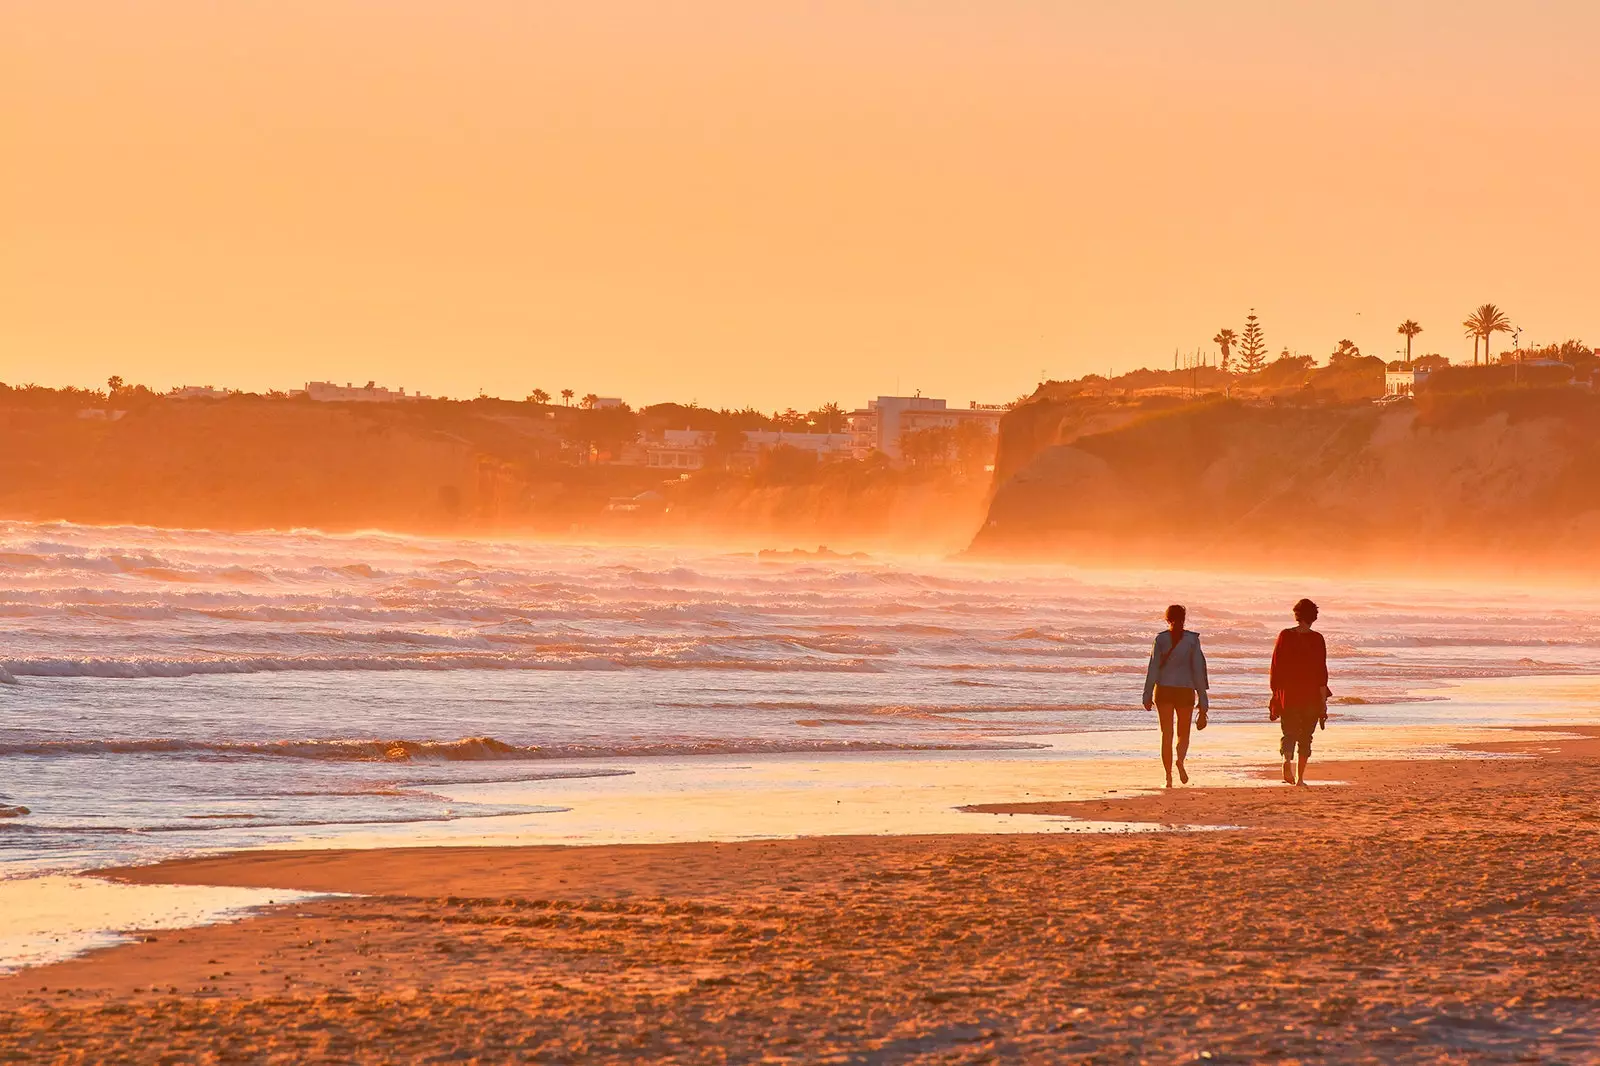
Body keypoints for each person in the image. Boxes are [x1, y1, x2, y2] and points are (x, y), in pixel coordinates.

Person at [1142, 604, 1210, 788]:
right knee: (1183, 733)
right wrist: (1203, 697)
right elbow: (1198, 670)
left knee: (1166, 734)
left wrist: (1147, 694)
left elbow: (1153, 668)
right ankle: (1180, 760)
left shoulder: (1160, 639)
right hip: (1185, 690)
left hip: (1163, 689)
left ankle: (1168, 776)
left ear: (1167, 619)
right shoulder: (1192, 641)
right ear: (1184, 618)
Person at [1269, 598, 1330, 786]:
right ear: (1314, 617)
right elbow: (1322, 671)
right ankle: (1300, 779)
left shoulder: (1285, 636)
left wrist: (1275, 693)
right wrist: (1323, 700)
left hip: (1289, 694)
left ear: (1296, 615)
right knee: (1306, 737)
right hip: (1311, 695)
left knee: (1289, 732)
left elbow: (1275, 666)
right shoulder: (1317, 639)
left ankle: (1286, 760)